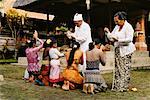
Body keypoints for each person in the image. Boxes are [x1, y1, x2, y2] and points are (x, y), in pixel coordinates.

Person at [104, 11, 136, 92]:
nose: (116, 23)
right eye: (115, 21)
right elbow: (111, 38)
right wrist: (108, 33)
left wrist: (118, 39)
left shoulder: (128, 27)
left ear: (123, 19)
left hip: (126, 50)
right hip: (118, 50)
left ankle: (123, 86)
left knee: (124, 68)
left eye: (117, 21)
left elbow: (129, 39)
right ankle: (117, 85)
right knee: (118, 68)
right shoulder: (117, 27)